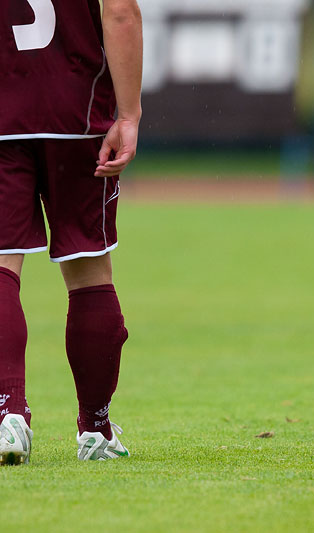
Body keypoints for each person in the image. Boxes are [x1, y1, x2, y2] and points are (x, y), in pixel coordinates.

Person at [0, 0, 143, 464]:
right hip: (77, 114)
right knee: (89, 274)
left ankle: (7, 414)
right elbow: (119, 10)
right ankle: (96, 429)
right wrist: (129, 116)